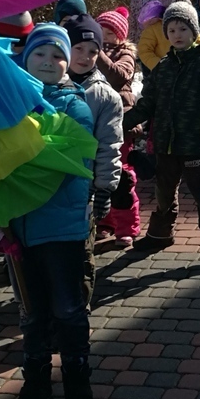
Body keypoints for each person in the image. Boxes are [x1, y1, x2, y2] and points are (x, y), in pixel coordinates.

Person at [0, 23, 98, 399]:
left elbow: (66, 163)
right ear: (24, 58)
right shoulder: (6, 103)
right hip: (18, 230)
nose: (48, 62)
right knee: (31, 312)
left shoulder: (75, 107)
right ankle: (36, 384)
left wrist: (18, 142)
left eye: (58, 56)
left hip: (62, 229)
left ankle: (77, 385)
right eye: (39, 53)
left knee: (68, 309)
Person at [124, 0, 200, 274]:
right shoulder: (163, 66)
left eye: (183, 29)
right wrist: (121, 123)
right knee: (164, 191)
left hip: (196, 145)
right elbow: (147, 103)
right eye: (171, 30)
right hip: (166, 144)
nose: (177, 35)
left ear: (194, 31)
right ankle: (160, 234)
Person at [62, 15, 124, 256]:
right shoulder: (46, 85)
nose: (85, 57)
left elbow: (110, 144)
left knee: (79, 253)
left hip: (83, 188)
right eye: (78, 48)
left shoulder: (105, 96)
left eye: (93, 51)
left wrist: (104, 188)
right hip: (46, 184)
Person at [94, 6, 141, 250]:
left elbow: (119, 75)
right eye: (100, 31)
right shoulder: (87, 52)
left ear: (121, 36)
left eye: (110, 32)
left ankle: (127, 227)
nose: (104, 36)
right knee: (101, 174)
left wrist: (97, 54)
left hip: (121, 122)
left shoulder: (126, 53)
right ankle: (106, 221)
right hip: (97, 121)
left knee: (122, 177)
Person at [138, 0, 190, 70]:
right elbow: (144, 50)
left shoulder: (190, 25)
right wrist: (160, 66)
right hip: (163, 73)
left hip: (187, 71)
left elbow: (197, 42)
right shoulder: (155, 27)